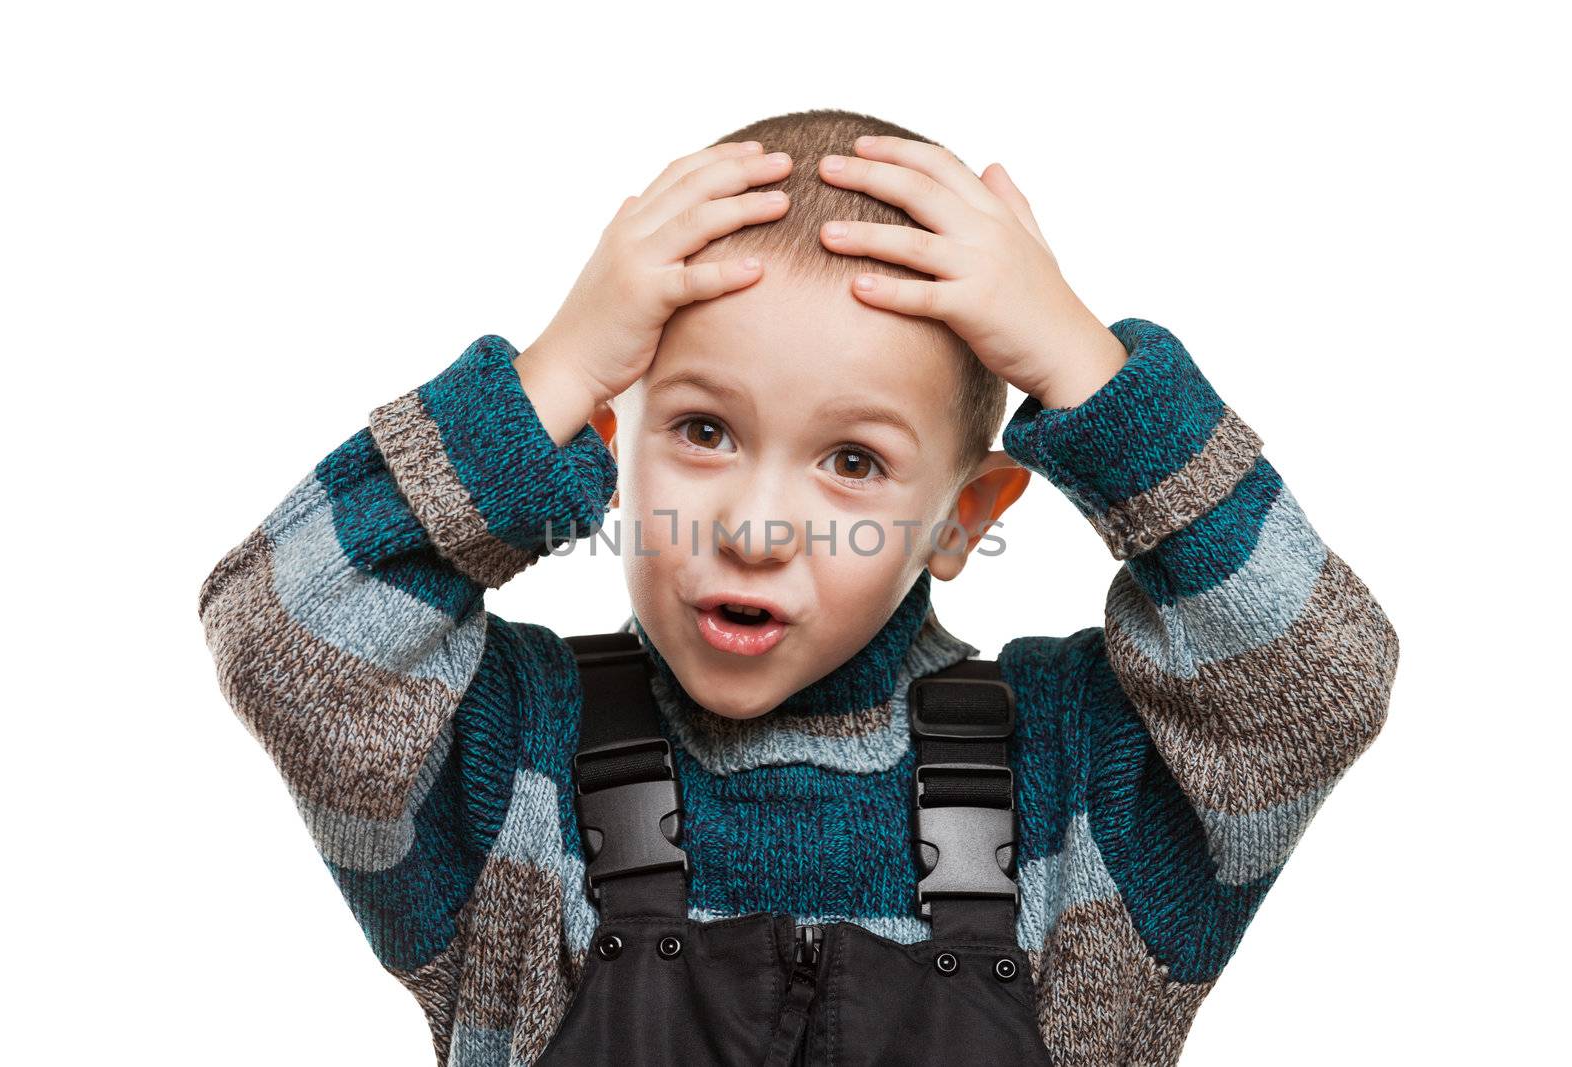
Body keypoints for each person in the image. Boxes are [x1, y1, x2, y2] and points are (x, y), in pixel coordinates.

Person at [197, 108, 1400, 1065]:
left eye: (853, 461)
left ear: (961, 519)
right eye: (705, 429)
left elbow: (1320, 677)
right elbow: (278, 629)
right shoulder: (511, 762)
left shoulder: (1080, 787)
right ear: (616, 440)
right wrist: (547, 373)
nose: (756, 525)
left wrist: (1092, 373)